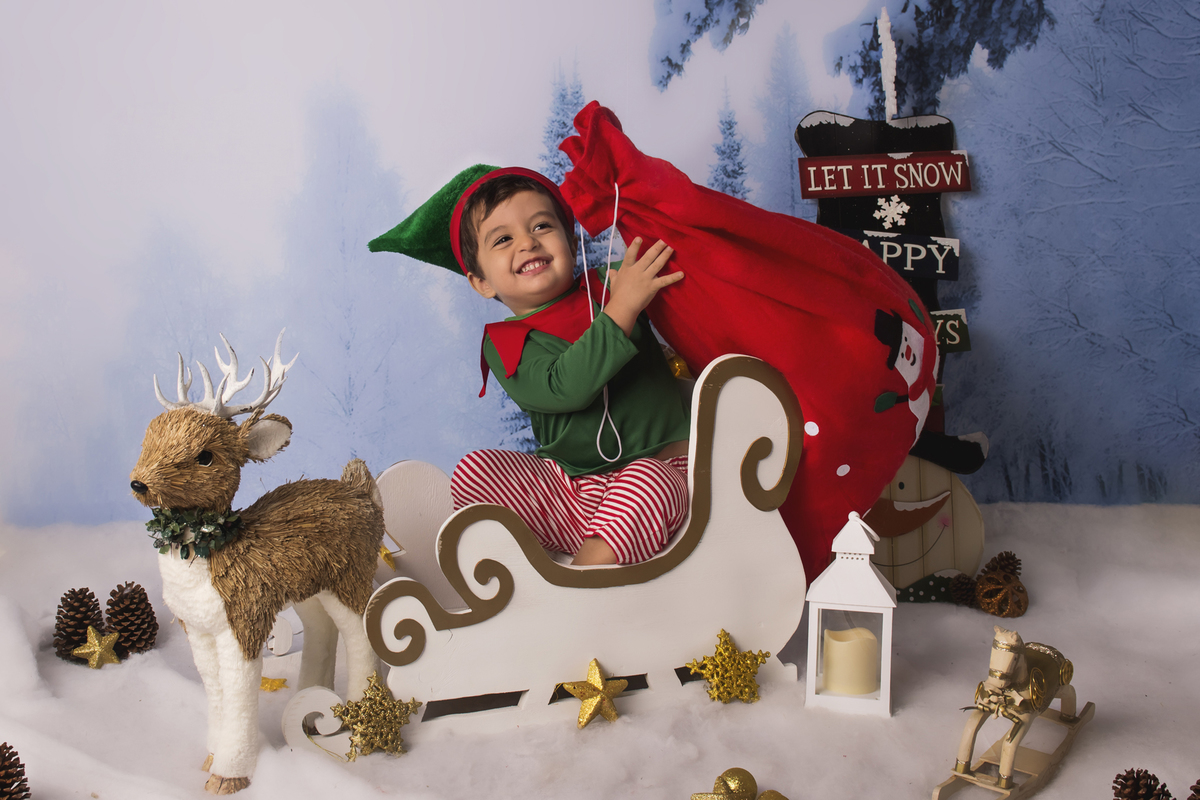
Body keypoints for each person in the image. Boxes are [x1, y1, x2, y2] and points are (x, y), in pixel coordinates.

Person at [369, 165, 690, 566]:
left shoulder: (613, 285)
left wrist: (625, 295)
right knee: (474, 470)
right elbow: (564, 388)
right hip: (574, 493)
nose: (527, 242)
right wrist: (623, 308)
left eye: (541, 226)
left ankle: (585, 575)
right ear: (482, 282)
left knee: (649, 481)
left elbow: (685, 286)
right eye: (503, 239)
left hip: (661, 475)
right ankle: (551, 563)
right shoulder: (506, 343)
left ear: (571, 242)